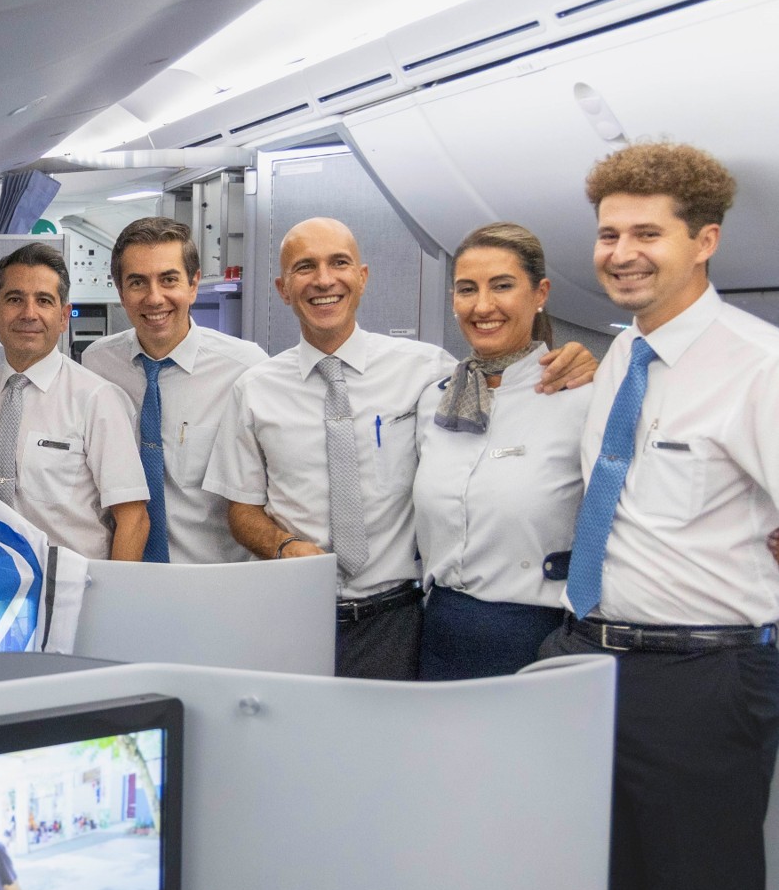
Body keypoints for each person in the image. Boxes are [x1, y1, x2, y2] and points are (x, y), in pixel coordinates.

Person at [535, 143, 779, 890]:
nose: (620, 252)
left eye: (647, 233)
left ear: (703, 241)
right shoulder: (617, 358)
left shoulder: (758, 365)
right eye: (607, 234)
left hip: (700, 679)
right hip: (587, 662)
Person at [204, 217, 594, 679]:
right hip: (293, 613)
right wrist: (283, 544)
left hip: (402, 621)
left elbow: (502, 380)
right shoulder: (254, 389)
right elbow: (241, 509)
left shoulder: (428, 373)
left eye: (339, 263)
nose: (324, 279)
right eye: (305, 267)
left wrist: (579, 360)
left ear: (362, 278)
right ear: (283, 288)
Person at [413, 224, 590, 680]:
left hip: (540, 637)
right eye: (467, 289)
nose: (483, 305)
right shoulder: (434, 399)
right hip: (441, 629)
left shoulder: (582, 397)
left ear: (540, 293)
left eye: (503, 286)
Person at [0, 243, 149, 560]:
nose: (29, 313)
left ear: (64, 316)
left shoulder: (97, 400)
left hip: (71, 590)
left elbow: (133, 518)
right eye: (15, 299)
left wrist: (115, 600)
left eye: (44, 301)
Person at [81, 217, 267, 563]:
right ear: (120, 292)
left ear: (194, 284)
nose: (155, 298)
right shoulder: (96, 364)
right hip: (124, 576)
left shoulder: (246, 369)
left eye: (169, 280)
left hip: (216, 584)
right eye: (137, 282)